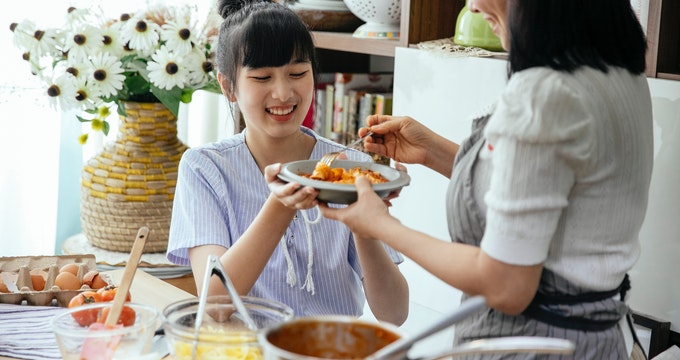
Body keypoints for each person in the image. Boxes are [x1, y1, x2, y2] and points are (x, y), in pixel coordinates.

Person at [320, 0, 652, 358]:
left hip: (533, 346)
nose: (474, 7)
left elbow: (505, 286)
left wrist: (380, 225)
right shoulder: (621, 76)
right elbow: (545, 187)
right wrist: (432, 151)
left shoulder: (542, 96)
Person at [165, 0, 408, 325]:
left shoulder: (352, 166)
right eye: (263, 77)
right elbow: (215, 305)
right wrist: (281, 205)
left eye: (297, 73)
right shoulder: (204, 168)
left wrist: (365, 229)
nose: (283, 92)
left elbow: (394, 313)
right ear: (228, 86)